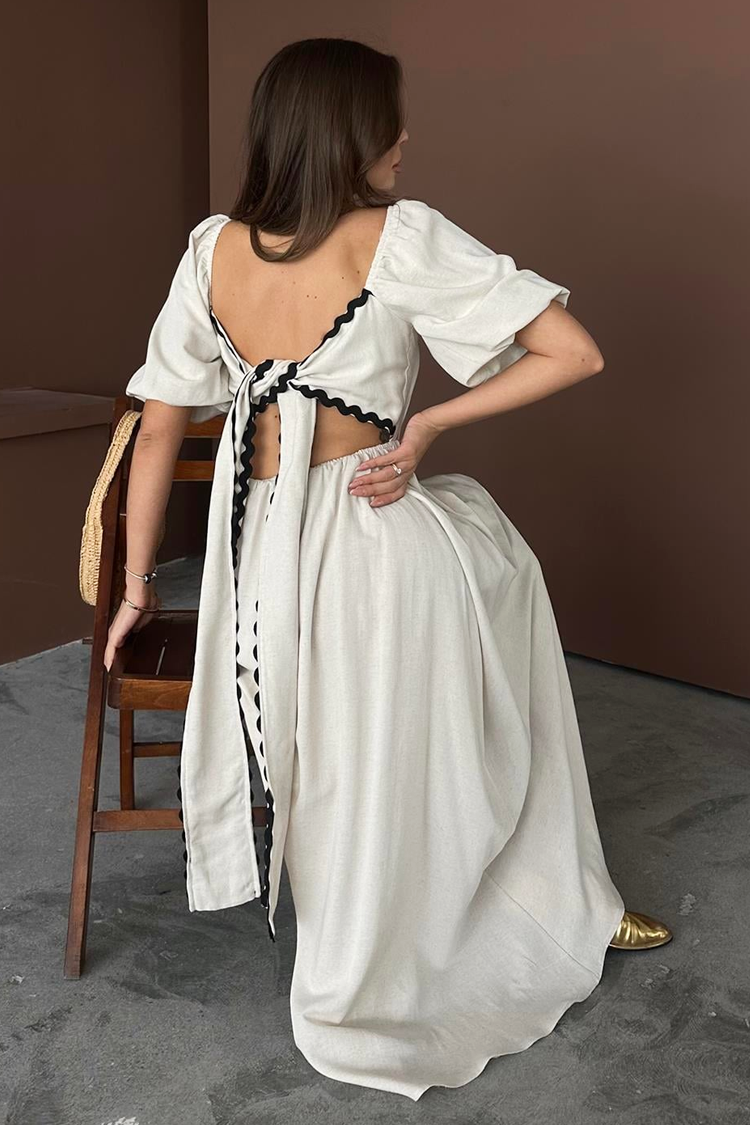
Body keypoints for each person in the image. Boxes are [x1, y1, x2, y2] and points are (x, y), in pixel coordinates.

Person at [104, 36, 672, 1102]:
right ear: (342, 131)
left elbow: (158, 423)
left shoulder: (210, 251)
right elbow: (578, 351)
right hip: (368, 546)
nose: (404, 136)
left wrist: (137, 586)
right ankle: (545, 900)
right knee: (492, 613)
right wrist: (429, 427)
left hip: (256, 570)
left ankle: (496, 905)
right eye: (386, 119)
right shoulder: (399, 236)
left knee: (382, 719)